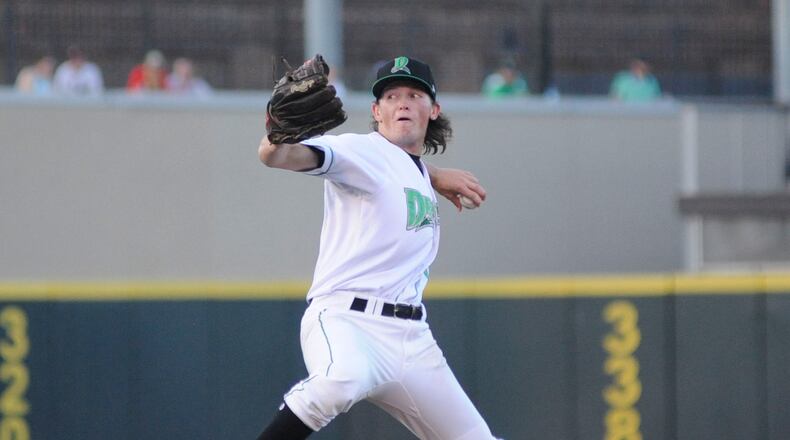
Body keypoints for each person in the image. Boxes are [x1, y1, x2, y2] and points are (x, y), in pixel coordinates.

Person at [255, 56, 499, 439]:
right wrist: (275, 135)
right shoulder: (360, 151)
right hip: (347, 320)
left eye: (414, 94)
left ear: (433, 110)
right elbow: (279, 156)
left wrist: (432, 174)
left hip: (411, 338)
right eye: (390, 95)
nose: (402, 102)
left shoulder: (416, 170)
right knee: (340, 380)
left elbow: (401, 168)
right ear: (376, 111)